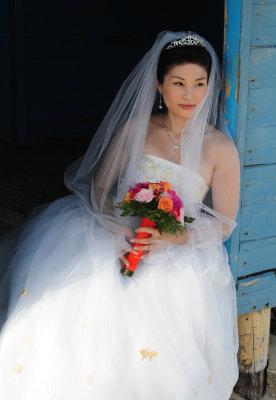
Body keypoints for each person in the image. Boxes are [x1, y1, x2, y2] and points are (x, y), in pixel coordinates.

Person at [0, 31, 240, 400]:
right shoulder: (134, 129)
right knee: (74, 295)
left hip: (177, 249)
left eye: (199, 84)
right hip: (116, 231)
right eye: (179, 83)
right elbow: (98, 188)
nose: (190, 94)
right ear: (160, 85)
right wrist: (116, 228)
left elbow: (223, 223)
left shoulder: (221, 149)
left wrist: (170, 237)